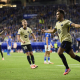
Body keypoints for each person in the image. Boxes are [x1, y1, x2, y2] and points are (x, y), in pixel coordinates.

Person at [42, 9, 80, 75]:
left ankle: (67, 68)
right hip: (64, 41)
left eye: (57, 14)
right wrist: (45, 31)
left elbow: (74, 25)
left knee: (59, 52)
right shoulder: (57, 23)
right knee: (73, 56)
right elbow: (53, 31)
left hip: (67, 39)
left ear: (61, 15)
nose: (56, 15)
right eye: (56, 14)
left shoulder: (66, 21)